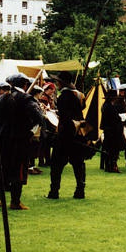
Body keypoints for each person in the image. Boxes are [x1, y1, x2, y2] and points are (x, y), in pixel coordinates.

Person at [0, 73, 43, 210]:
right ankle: (15, 202)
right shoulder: (27, 99)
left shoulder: (2, 98)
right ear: (25, 85)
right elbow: (39, 118)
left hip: (3, 139)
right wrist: (31, 133)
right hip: (20, 140)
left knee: (3, 168)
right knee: (19, 170)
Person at [47, 71, 87, 199]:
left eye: (58, 81)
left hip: (65, 136)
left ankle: (54, 192)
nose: (56, 83)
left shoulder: (64, 96)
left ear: (62, 82)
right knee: (78, 165)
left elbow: (65, 118)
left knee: (56, 166)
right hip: (76, 135)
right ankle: (80, 191)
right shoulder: (78, 95)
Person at [100, 90, 125, 173]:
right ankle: (112, 166)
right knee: (113, 149)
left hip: (109, 130)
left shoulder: (106, 105)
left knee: (109, 149)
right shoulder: (109, 107)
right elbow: (115, 119)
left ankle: (108, 166)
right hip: (112, 131)